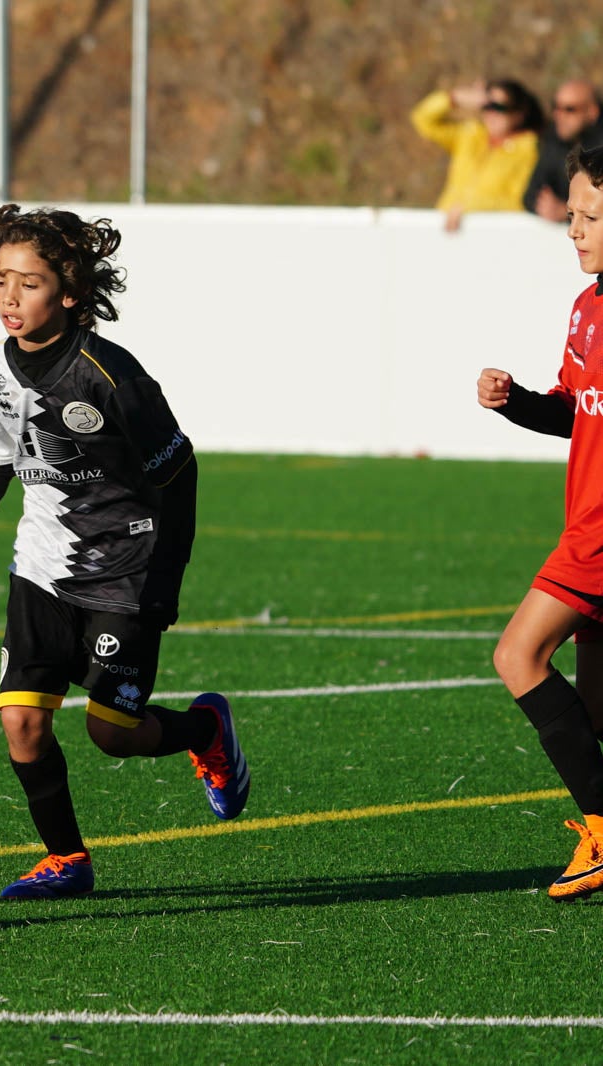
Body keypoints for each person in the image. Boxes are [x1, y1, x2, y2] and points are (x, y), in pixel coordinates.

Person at [0, 203, 248, 901]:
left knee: (112, 731)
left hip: (126, 567)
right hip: (42, 564)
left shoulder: (111, 375)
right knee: (21, 721)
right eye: (1, 279)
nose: (10, 298)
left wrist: (164, 583)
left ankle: (204, 729)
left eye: (29, 283)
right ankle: (66, 859)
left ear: (69, 292)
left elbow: (179, 475)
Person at [477, 144, 603, 901]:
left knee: (518, 656)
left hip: (598, 536)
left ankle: (602, 829)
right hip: (585, 520)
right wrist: (517, 402)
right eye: (573, 214)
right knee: (596, 713)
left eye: (590, 216)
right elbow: (577, 413)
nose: (573, 229)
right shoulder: (587, 307)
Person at [411, 78, 542, 232]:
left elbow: (519, 202)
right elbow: (422, 119)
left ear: (519, 114)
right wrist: (455, 98)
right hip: (446, 228)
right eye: (488, 106)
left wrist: (469, 208)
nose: (492, 113)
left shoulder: (530, 151)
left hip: (489, 233)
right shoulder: (471, 135)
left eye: (499, 107)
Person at [524, 80, 603, 223]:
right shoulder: (553, 140)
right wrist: (548, 206)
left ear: (592, 112)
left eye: (569, 109)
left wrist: (567, 212)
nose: (559, 115)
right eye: (556, 107)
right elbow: (530, 195)